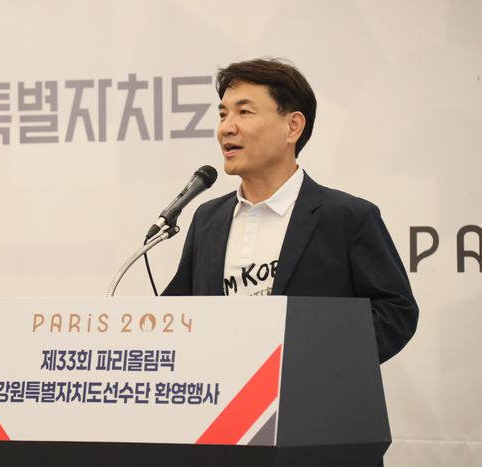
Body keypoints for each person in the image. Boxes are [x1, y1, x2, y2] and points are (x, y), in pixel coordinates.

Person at [162, 58, 418, 364]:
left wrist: (312, 356)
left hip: (312, 391)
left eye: (244, 112)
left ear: (292, 126)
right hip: (225, 393)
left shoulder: (347, 218)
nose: (226, 128)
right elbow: (179, 314)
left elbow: (395, 312)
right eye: (223, 114)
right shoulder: (208, 219)